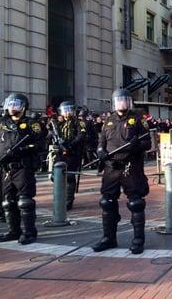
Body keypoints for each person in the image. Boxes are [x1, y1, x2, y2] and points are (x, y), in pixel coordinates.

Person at [92, 89, 151, 255]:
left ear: (129, 102)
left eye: (124, 100)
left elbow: (147, 142)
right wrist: (100, 151)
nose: (121, 103)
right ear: (114, 102)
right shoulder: (108, 120)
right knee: (107, 202)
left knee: (136, 203)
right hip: (111, 167)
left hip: (130, 167)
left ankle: (138, 239)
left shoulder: (138, 119)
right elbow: (101, 141)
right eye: (118, 100)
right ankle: (108, 238)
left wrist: (136, 145)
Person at [0, 93, 44, 244]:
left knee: (25, 201)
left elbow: (40, 144)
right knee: (8, 201)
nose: (12, 108)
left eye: (16, 104)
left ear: (23, 107)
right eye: (10, 104)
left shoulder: (31, 124)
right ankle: (14, 231)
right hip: (6, 168)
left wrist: (22, 149)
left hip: (22, 166)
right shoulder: (2, 123)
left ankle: (30, 232)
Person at [56, 101, 87, 210]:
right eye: (65, 111)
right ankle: (60, 197)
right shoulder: (60, 123)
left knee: (69, 176)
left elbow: (81, 136)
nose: (67, 113)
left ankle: (68, 201)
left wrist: (70, 145)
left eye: (69, 110)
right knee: (56, 174)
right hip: (61, 152)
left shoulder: (78, 122)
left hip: (73, 152)